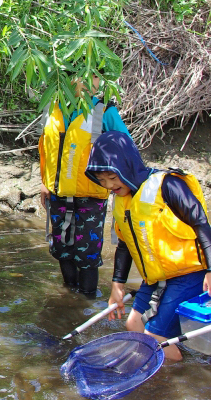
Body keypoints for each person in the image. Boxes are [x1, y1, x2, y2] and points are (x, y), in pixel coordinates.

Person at [85, 130, 211, 362]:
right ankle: (173, 362)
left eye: (113, 178)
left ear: (127, 167)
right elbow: (125, 245)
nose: (110, 186)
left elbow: (200, 222)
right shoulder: (124, 201)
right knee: (133, 324)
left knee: (154, 337)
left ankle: (178, 377)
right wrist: (117, 286)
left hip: (188, 274)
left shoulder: (168, 185)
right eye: (102, 181)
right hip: (156, 278)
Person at [38, 77, 131, 297]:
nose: (92, 82)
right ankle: (70, 294)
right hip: (58, 194)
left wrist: (123, 189)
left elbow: (127, 151)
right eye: (85, 76)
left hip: (91, 197)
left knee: (87, 254)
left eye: (96, 77)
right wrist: (44, 182)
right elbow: (46, 148)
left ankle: (87, 298)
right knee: (61, 249)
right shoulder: (53, 107)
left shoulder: (104, 112)